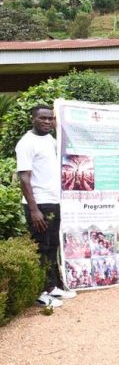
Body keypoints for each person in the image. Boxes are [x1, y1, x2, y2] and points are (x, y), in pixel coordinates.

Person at [16, 105, 77, 308]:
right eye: (42, 118)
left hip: (53, 201)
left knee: (52, 247)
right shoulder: (26, 143)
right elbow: (24, 178)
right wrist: (34, 210)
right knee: (41, 248)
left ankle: (51, 287)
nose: (47, 122)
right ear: (32, 119)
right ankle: (40, 293)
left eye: (50, 118)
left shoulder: (50, 140)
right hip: (39, 204)